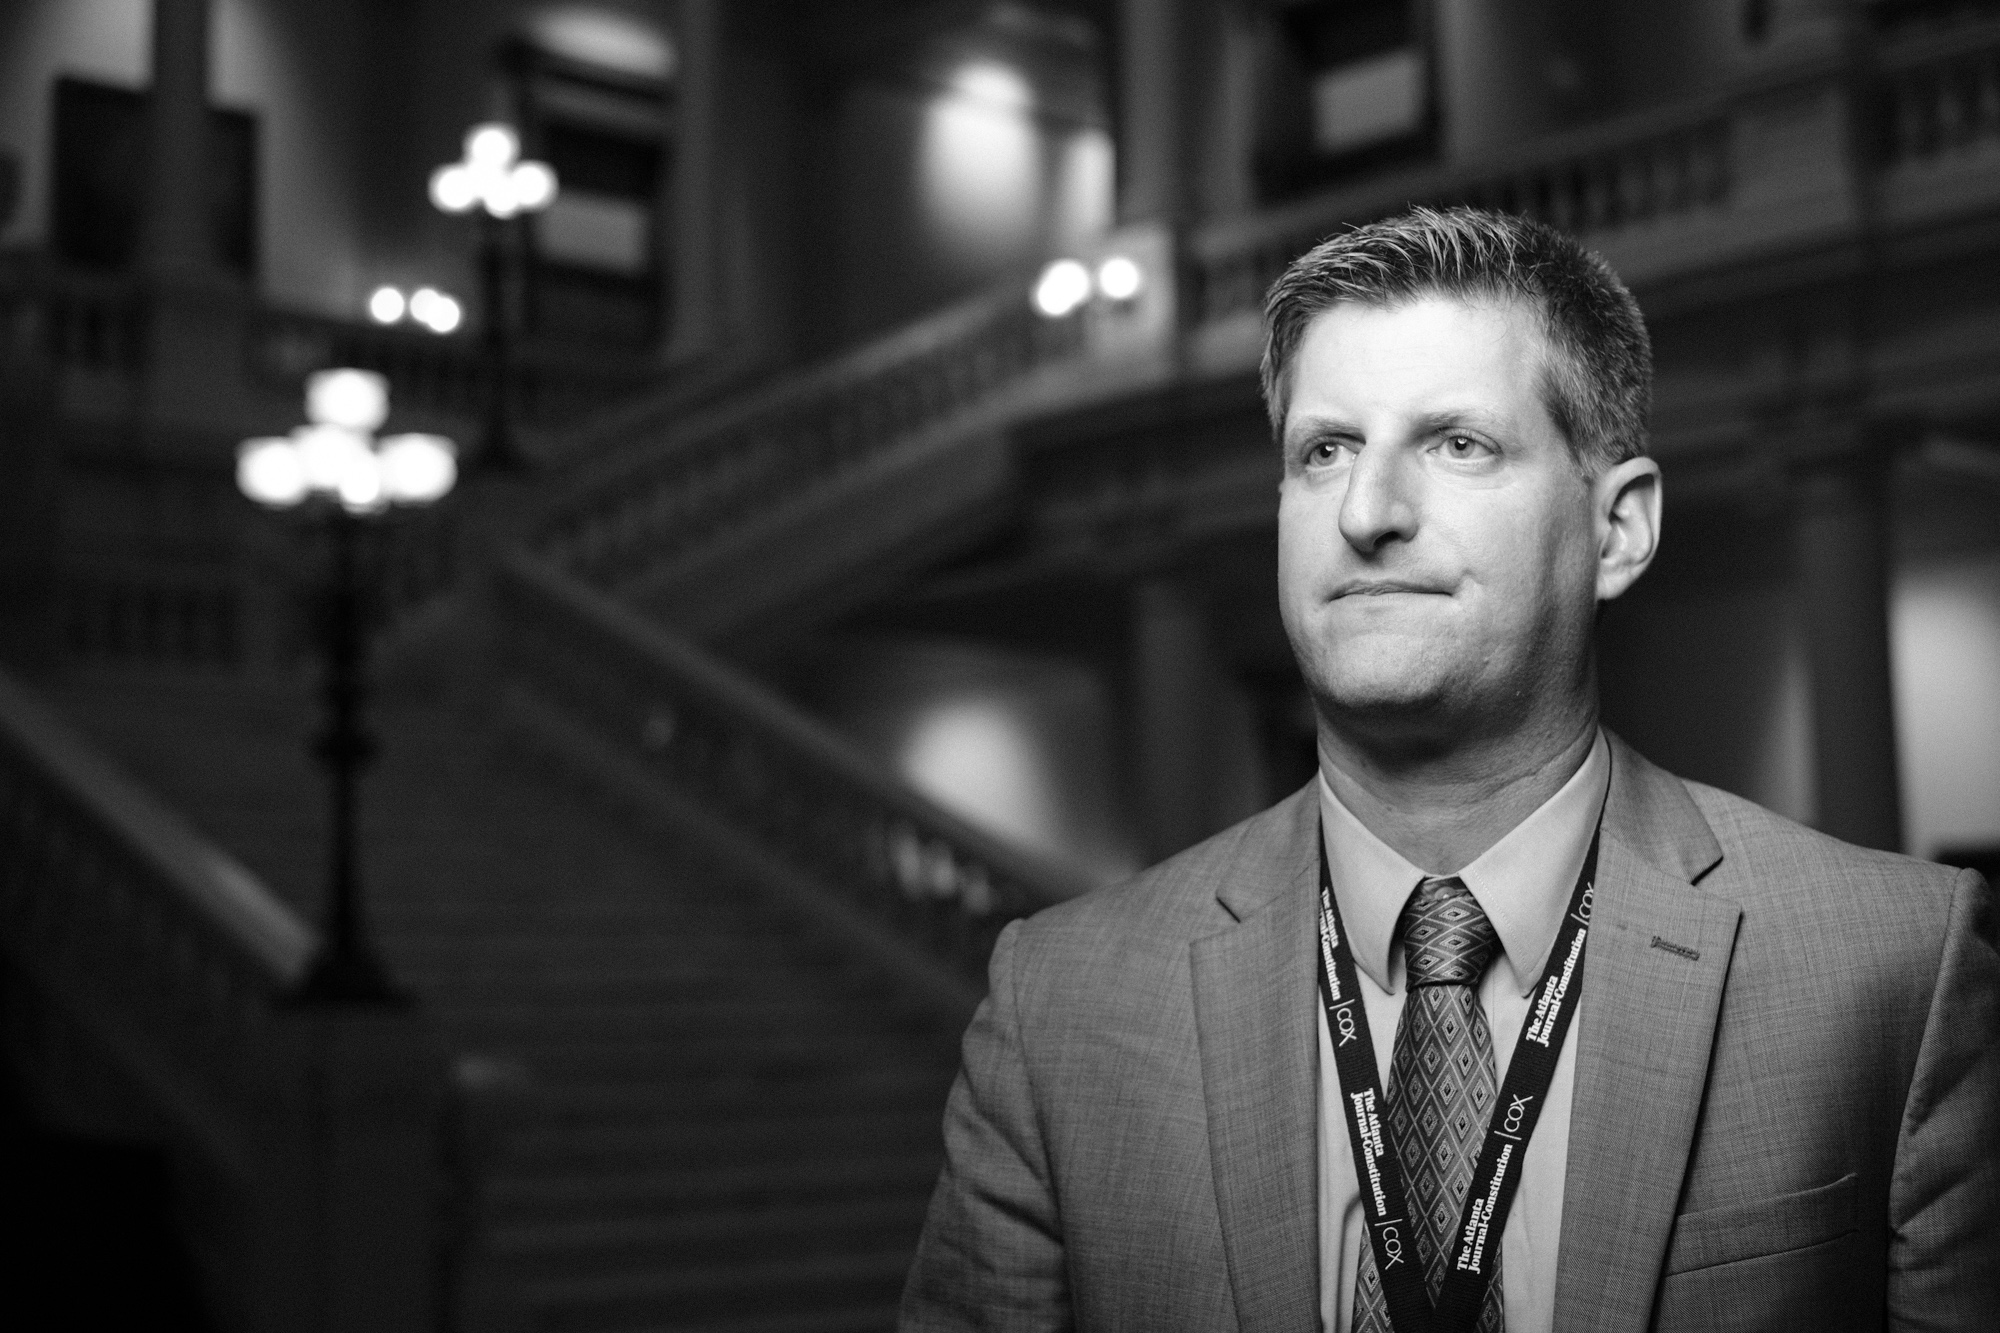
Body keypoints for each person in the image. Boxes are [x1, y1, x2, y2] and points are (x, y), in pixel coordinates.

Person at [899, 207, 1999, 1332]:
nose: (1366, 512)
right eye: (1325, 451)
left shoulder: (1890, 971)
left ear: (1618, 529)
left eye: (1457, 443)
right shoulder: (1059, 1006)